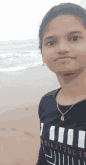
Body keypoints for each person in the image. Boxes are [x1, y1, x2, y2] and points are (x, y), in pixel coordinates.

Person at [37, 3, 86, 165]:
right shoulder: (46, 102)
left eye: (74, 38)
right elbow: (44, 156)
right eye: (51, 42)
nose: (62, 48)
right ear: (42, 54)